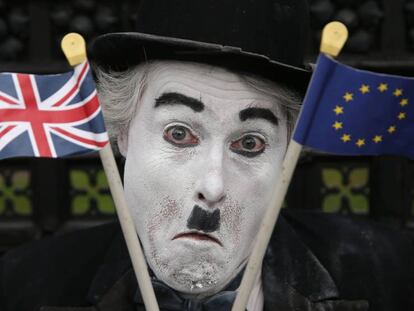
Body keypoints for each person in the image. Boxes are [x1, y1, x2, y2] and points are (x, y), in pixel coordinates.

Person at [1, 0, 414, 310]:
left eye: (249, 143)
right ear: (122, 134)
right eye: (179, 133)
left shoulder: (395, 277)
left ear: (288, 154)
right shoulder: (20, 285)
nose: (212, 186)